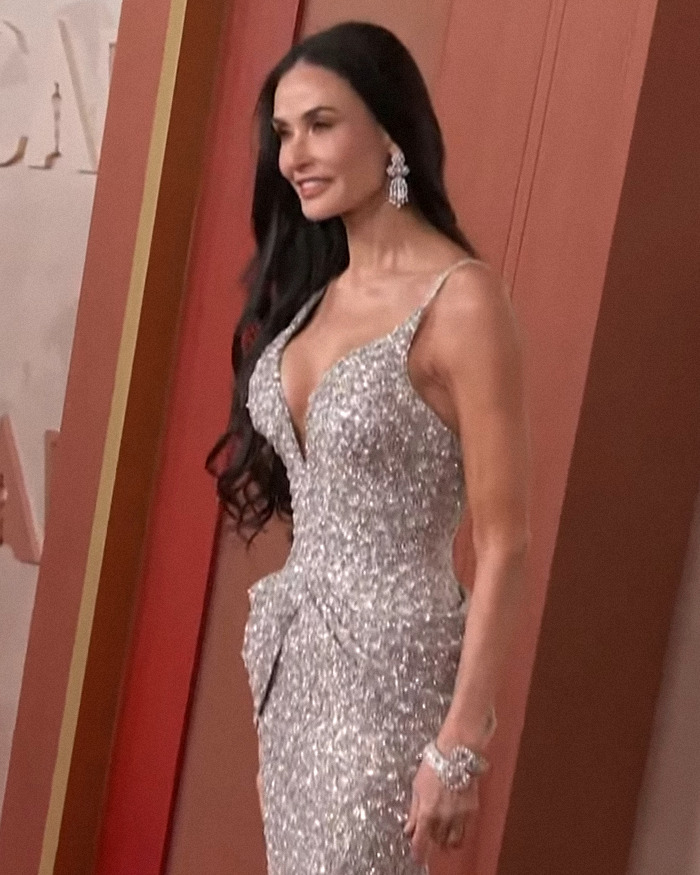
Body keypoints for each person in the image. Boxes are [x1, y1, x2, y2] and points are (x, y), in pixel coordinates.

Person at [207, 20, 530, 875]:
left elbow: (504, 543)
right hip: (297, 670)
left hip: (395, 673)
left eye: (320, 124)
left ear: (390, 130)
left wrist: (460, 741)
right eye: (282, 133)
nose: (293, 155)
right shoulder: (315, 292)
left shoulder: (459, 302)